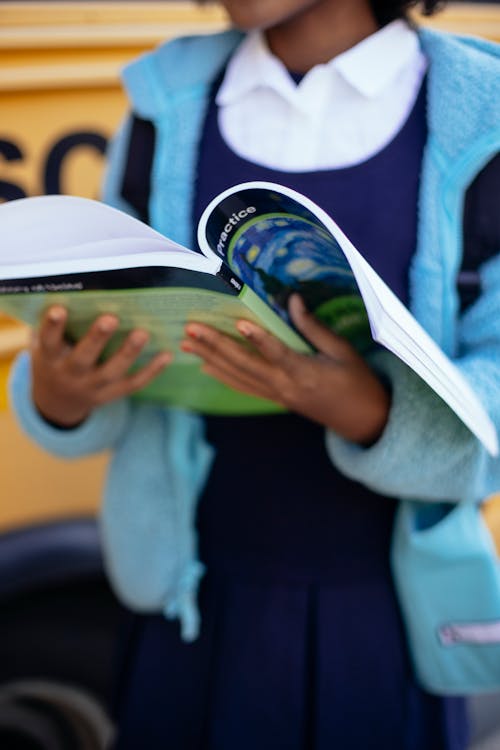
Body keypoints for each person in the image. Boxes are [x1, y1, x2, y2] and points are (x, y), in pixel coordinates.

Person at [9, 0, 500, 747]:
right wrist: (64, 394)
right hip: (190, 600)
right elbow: (108, 309)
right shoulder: (163, 107)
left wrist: (369, 411)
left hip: (384, 617)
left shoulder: (481, 121)